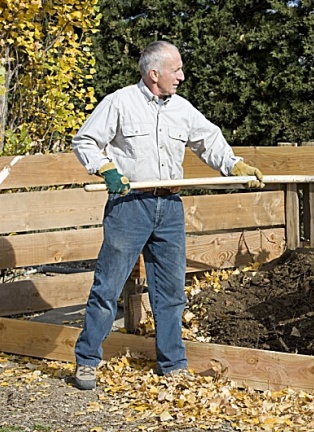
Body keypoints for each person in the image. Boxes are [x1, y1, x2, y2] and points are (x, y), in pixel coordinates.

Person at [71, 40, 264, 390]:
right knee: (108, 286)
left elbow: (209, 140)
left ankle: (172, 364)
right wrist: (106, 168)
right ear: (154, 72)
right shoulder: (120, 103)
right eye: (176, 70)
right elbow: (85, 141)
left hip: (169, 208)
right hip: (131, 206)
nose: (182, 76)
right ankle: (87, 361)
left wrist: (234, 164)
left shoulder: (181, 109)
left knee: (171, 291)